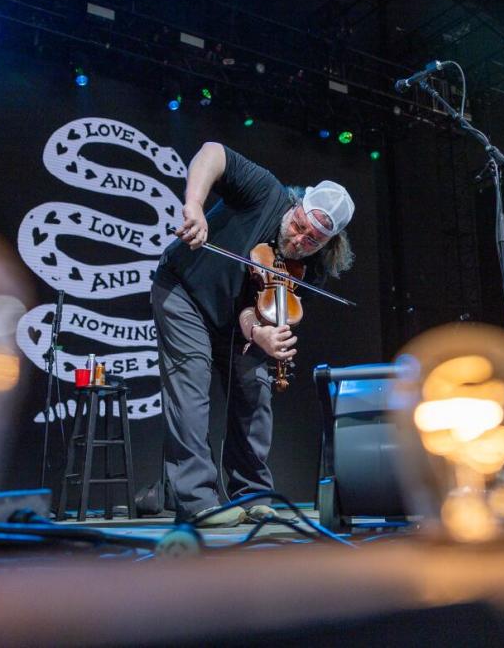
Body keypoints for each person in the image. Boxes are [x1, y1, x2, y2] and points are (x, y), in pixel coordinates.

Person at [152, 142, 354, 527]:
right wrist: (194, 205)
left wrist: (259, 333)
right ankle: (197, 501)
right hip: (184, 292)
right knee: (191, 385)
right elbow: (212, 153)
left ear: (329, 244)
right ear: (296, 205)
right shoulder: (265, 191)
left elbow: (252, 307)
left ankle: (253, 491)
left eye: (312, 240)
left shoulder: (311, 266)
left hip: (236, 321)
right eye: (299, 227)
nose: (298, 241)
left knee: (254, 390)